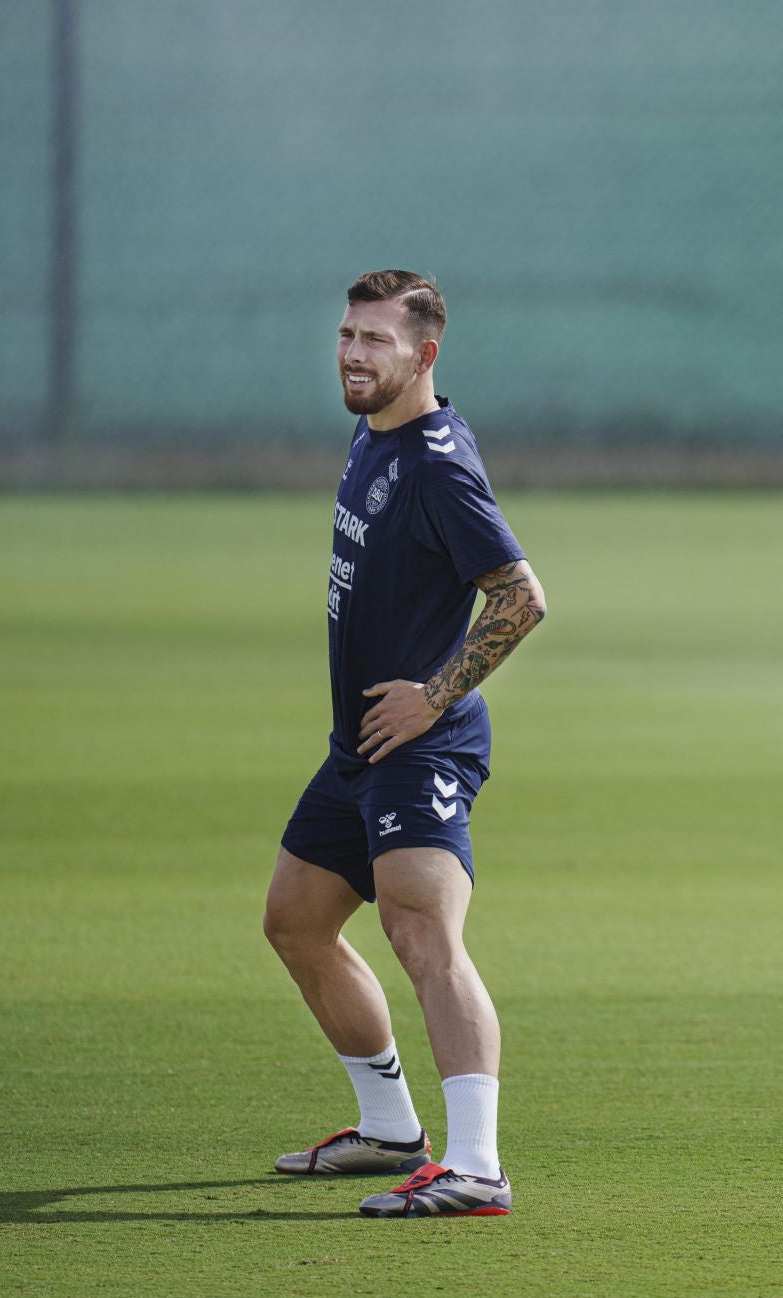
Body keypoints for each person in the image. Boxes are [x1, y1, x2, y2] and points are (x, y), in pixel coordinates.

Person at [261, 270, 547, 1218]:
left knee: (422, 933)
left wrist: (434, 697)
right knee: (296, 922)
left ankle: (477, 1168)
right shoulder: (374, 432)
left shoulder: (436, 466)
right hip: (360, 746)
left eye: (374, 340)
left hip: (421, 745)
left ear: (424, 355)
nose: (352, 353)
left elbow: (521, 598)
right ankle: (389, 1129)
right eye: (348, 334)